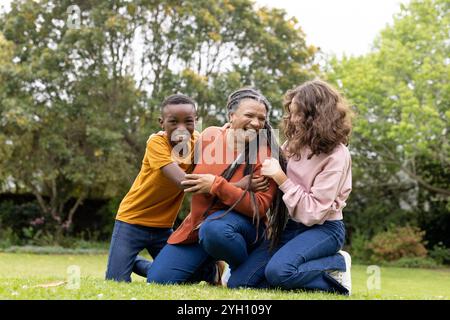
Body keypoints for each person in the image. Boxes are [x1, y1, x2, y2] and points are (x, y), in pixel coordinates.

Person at [145, 88, 287, 284]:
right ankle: (211, 271)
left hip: (243, 230)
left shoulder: (265, 154)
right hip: (198, 226)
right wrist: (164, 136)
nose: (256, 123)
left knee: (215, 231)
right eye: (249, 115)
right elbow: (192, 176)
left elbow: (259, 207)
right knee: (159, 278)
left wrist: (216, 185)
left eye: (261, 118)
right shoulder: (210, 135)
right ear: (231, 115)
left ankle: (243, 268)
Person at [227, 79, 354, 295]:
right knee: (240, 283)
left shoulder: (337, 155)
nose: (292, 119)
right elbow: (260, 145)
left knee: (280, 272)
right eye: (291, 112)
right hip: (291, 227)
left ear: (317, 115)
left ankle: (336, 266)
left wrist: (281, 178)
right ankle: (290, 271)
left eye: (298, 113)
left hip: (324, 228)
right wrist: (231, 129)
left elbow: (313, 212)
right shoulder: (294, 144)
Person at [105, 93, 201, 282]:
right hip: (131, 221)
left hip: (163, 227)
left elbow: (218, 163)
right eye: (173, 122)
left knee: (181, 278)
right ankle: (122, 259)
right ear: (161, 123)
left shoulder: (198, 141)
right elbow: (182, 181)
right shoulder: (156, 142)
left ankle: (211, 272)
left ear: (196, 121)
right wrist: (221, 186)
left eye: (188, 122)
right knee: (116, 280)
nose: (181, 128)